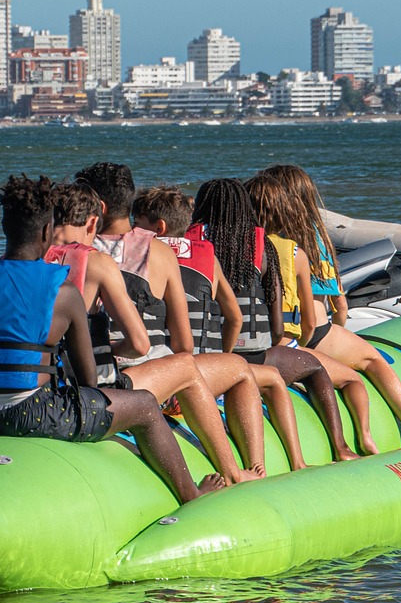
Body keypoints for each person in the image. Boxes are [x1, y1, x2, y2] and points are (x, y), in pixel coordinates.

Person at [0, 174, 223, 503]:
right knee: (143, 404)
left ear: (5, 228)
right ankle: (191, 494)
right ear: (46, 232)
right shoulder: (64, 290)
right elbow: (88, 379)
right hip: (36, 413)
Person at [46, 180, 260, 485]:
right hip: (98, 392)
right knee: (193, 366)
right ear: (93, 221)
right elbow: (140, 343)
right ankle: (232, 470)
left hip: (45, 394)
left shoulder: (29, 261)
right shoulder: (95, 262)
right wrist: (111, 351)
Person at [135, 181, 359, 467]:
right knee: (307, 370)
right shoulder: (253, 246)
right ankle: (306, 456)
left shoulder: (172, 248)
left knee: (248, 371)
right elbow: (265, 323)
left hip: (174, 363)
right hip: (234, 356)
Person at [246, 164, 401, 447]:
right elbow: (338, 301)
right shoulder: (310, 239)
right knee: (373, 361)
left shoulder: (254, 242)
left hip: (268, 336)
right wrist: (339, 328)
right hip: (314, 332)